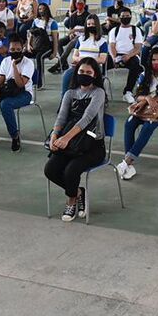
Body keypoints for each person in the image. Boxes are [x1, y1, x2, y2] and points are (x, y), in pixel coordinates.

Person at [45, 57, 108, 222]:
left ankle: (71, 201)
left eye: (88, 72)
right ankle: (79, 192)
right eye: (81, 71)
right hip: (71, 144)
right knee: (50, 169)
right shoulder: (70, 93)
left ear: (95, 75)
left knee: (70, 171)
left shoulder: (98, 93)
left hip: (92, 146)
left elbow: (86, 119)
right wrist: (54, 136)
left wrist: (65, 138)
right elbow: (61, 118)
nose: (84, 75)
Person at [117, 47, 158, 180]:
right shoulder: (144, 75)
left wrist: (149, 99)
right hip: (144, 107)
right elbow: (137, 96)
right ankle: (130, 164)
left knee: (148, 126)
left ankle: (127, 161)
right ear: (150, 61)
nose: (157, 62)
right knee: (129, 123)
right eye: (154, 60)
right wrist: (147, 99)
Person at [0, 35, 35, 152]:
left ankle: (15, 136)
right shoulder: (5, 61)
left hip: (24, 93)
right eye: (12, 50)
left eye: (18, 49)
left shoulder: (28, 63)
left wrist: (14, 66)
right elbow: (1, 77)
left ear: (23, 48)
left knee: (5, 104)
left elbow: (20, 84)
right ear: (8, 49)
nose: (15, 52)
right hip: (8, 90)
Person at [61, 15, 108, 93]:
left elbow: (102, 60)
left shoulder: (102, 41)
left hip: (94, 67)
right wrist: (81, 60)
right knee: (67, 75)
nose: (91, 26)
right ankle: (64, 101)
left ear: (97, 25)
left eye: (93, 24)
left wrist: (86, 61)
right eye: (88, 24)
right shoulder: (80, 39)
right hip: (79, 66)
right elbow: (74, 56)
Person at [108, 7, 145, 103]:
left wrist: (128, 56)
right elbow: (112, 46)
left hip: (131, 55)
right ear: (119, 17)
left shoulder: (136, 30)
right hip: (116, 55)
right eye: (123, 16)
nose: (125, 18)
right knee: (101, 65)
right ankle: (101, 92)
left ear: (131, 17)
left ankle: (127, 92)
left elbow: (138, 47)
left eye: (127, 16)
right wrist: (114, 58)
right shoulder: (114, 31)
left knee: (136, 65)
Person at [50, 0, 90, 73]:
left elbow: (87, 28)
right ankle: (64, 63)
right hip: (74, 35)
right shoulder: (74, 15)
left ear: (84, 4)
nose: (79, 5)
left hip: (83, 36)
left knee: (70, 45)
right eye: (78, 3)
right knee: (59, 43)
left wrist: (76, 30)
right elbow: (71, 27)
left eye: (81, 3)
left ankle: (59, 64)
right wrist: (71, 33)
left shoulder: (87, 15)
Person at [27, 2, 59, 85]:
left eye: (43, 9)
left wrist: (55, 52)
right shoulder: (36, 21)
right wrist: (28, 45)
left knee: (39, 57)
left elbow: (55, 39)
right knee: (23, 54)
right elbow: (31, 35)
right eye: (40, 9)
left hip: (48, 46)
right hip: (36, 45)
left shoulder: (52, 23)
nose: (41, 11)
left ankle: (39, 82)